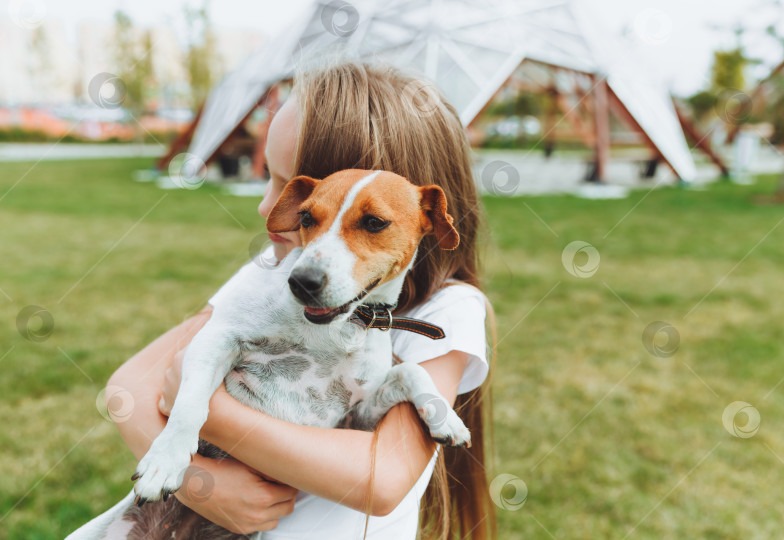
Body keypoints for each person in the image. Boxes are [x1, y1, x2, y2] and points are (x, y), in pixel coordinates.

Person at [107, 59, 495, 539]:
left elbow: (383, 477)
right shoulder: (281, 273)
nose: (268, 208)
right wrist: (194, 479)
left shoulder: (447, 311)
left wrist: (221, 420)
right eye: (274, 181)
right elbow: (128, 390)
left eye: (369, 222)